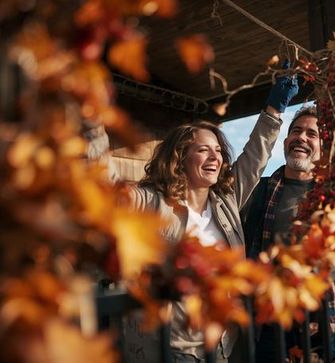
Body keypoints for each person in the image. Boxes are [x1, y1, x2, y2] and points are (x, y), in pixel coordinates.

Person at [86, 68, 298, 362]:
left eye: (218, 151)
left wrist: (275, 109)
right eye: (203, 150)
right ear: (180, 157)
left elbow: (254, 159)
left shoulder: (225, 201)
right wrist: (92, 124)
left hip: (222, 346)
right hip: (167, 348)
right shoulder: (149, 202)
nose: (215, 157)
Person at [241, 105, 335, 361]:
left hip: (318, 317)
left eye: (312, 134)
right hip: (268, 320)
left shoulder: (334, 198)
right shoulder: (259, 192)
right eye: (296, 131)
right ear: (285, 141)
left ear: (323, 147)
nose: (302, 138)